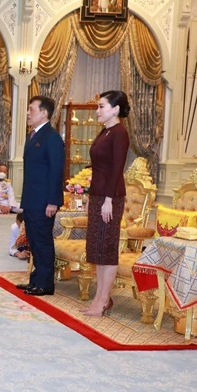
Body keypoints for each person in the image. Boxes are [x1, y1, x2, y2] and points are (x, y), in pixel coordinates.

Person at [82, 90, 131, 317]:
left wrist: (108, 200)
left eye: (101, 106)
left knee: (107, 249)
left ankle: (102, 300)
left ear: (116, 109)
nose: (97, 111)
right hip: (98, 196)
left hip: (110, 198)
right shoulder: (105, 131)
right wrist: (89, 196)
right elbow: (98, 168)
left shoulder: (120, 133)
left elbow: (116, 169)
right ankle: (100, 297)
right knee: (97, 249)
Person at [15, 95, 65, 296]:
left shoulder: (52, 138)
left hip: (44, 200)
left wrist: (53, 201)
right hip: (31, 198)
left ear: (44, 113)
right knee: (34, 240)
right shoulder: (33, 135)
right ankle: (36, 279)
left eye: (31, 110)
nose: (28, 113)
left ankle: (46, 284)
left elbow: (57, 171)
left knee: (43, 241)